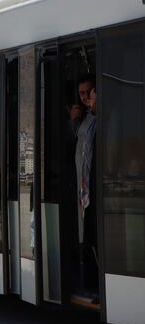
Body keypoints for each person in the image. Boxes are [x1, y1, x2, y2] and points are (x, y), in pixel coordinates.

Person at [70, 73, 98, 294]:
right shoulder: (85, 117)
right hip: (82, 186)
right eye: (81, 93)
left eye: (88, 92)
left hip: (94, 186)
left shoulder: (101, 115)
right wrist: (74, 121)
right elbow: (77, 144)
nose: (84, 97)